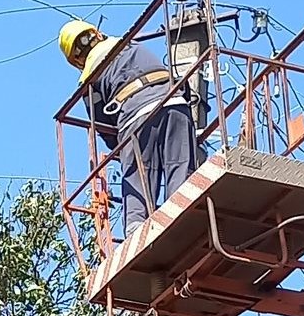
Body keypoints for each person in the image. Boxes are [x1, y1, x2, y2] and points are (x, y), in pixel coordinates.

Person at [59, 19, 203, 237]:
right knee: (180, 165)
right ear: (96, 33)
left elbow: (102, 125)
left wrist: (120, 147)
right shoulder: (129, 44)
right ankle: (183, 213)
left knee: (138, 173)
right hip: (174, 103)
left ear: (75, 59)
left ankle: (137, 231)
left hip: (135, 116)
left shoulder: (89, 78)